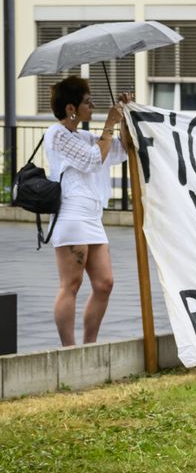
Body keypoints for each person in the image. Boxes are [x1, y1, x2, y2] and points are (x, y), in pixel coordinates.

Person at [44, 77, 130, 347]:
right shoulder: (57, 134)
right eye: (87, 102)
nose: (92, 106)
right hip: (71, 215)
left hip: (92, 216)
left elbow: (122, 150)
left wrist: (125, 116)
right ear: (71, 108)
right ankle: (69, 350)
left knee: (105, 283)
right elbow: (93, 160)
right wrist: (109, 125)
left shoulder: (84, 136)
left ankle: (89, 346)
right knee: (71, 284)